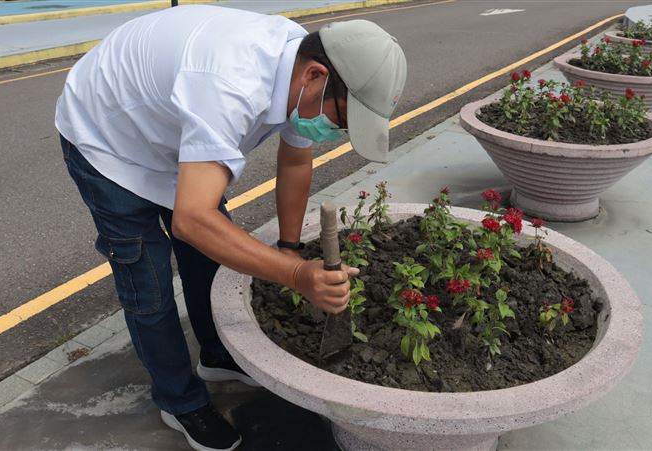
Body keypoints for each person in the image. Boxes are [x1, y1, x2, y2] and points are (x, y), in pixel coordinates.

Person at [55, 4, 406, 451]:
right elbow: (192, 219)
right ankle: (178, 400)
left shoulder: (299, 71)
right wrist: (297, 276)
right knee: (147, 278)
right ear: (316, 76)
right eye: (343, 119)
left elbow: (296, 158)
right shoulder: (230, 84)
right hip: (107, 137)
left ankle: (217, 356)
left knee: (208, 256)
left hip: (172, 130)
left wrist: (290, 248)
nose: (336, 130)